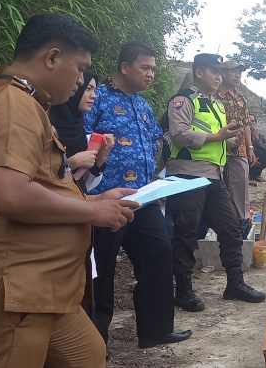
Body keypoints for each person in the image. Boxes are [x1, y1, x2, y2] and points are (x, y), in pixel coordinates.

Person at [0, 12, 137, 368]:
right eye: (79, 69)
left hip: (44, 287)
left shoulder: (25, 103)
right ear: (52, 57)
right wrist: (92, 211)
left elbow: (39, 184)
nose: (80, 81)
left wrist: (94, 199)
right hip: (13, 286)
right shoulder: (10, 102)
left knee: (87, 356)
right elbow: (11, 194)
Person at [83, 43, 191, 348]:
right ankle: (96, 342)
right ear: (124, 67)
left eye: (153, 69)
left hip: (143, 197)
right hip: (105, 199)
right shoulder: (98, 98)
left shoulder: (142, 105)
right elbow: (82, 140)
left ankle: (155, 330)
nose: (151, 74)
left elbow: (157, 139)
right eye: (145, 67)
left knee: (159, 253)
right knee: (101, 269)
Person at [165, 53, 266, 312]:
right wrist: (217, 137)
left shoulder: (217, 105)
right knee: (186, 233)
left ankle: (235, 284)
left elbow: (216, 136)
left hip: (214, 176)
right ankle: (183, 290)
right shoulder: (183, 100)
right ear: (199, 72)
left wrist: (228, 140)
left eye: (220, 72)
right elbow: (179, 134)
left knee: (231, 228)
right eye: (214, 72)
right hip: (187, 176)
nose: (219, 77)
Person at [206, 59, 257, 239]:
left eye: (239, 72)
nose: (237, 75)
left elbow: (246, 124)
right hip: (217, 146)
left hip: (239, 149)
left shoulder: (241, 98)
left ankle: (242, 222)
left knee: (240, 185)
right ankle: (212, 226)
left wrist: (250, 147)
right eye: (233, 71)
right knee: (216, 187)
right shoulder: (214, 95)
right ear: (223, 73)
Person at [48, 71, 113, 193]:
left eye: (95, 90)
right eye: (88, 89)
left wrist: (101, 157)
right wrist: (72, 162)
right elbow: (38, 176)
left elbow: (83, 184)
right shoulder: (47, 125)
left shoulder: (78, 129)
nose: (94, 96)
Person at [247, 113, 266, 181]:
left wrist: (256, 138)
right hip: (247, 157)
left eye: (252, 121)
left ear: (255, 123)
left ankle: (255, 174)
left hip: (257, 158)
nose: (250, 123)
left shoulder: (260, 135)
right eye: (248, 120)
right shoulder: (241, 133)